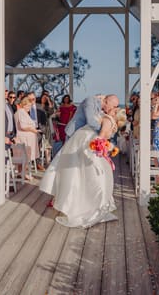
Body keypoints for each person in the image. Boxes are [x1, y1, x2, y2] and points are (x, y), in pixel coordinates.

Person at [40, 94, 120, 228]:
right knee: (67, 167)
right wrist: (106, 126)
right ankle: (62, 199)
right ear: (106, 101)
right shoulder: (91, 100)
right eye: (111, 107)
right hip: (76, 136)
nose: (110, 110)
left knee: (77, 170)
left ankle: (67, 200)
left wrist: (107, 127)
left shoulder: (101, 108)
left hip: (86, 139)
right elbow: (91, 121)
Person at [15, 96, 43, 173]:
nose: (29, 107)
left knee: (26, 157)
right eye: (27, 106)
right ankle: (23, 173)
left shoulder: (24, 113)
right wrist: (33, 130)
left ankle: (22, 173)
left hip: (27, 137)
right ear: (23, 104)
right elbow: (23, 126)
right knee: (25, 156)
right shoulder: (21, 112)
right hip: (24, 138)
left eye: (30, 106)